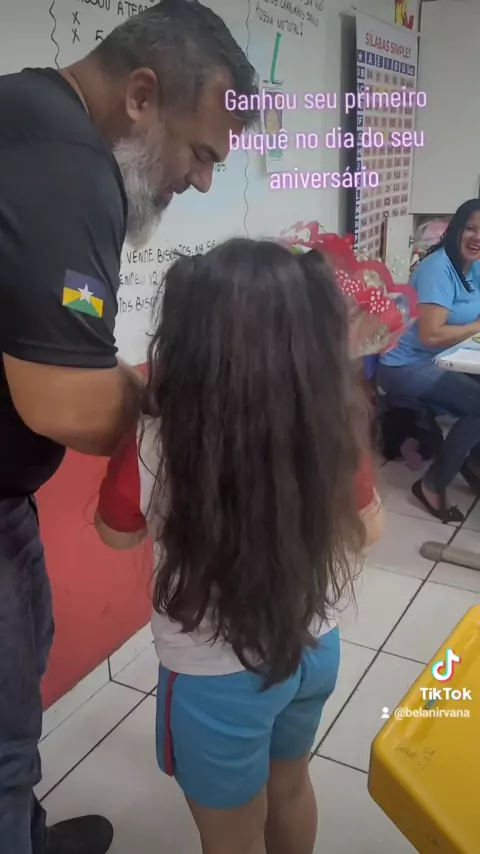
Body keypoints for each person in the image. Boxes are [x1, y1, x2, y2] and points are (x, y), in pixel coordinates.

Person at [0, 3, 257, 853]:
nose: (203, 181)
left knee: (15, 706)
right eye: (201, 153)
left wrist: (152, 401)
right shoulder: (64, 168)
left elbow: (66, 355)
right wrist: (187, 425)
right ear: (142, 96)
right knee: (2, 745)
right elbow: (67, 403)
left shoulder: (25, 115)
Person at [95, 239, 382, 854]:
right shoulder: (329, 427)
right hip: (313, 644)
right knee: (292, 788)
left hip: (213, 678)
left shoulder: (153, 440)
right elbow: (371, 529)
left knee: (233, 839)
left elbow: (116, 534)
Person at [377, 199, 480, 523]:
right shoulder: (438, 269)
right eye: (471, 228)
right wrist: (477, 327)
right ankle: (431, 485)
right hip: (403, 364)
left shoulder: (473, 265)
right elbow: (431, 335)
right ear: (456, 229)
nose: (477, 237)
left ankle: (470, 462)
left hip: (440, 357)